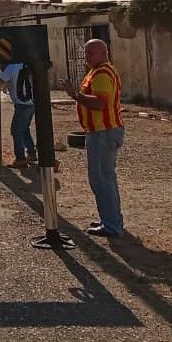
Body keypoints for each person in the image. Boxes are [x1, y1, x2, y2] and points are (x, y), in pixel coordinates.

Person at [62, 38, 124, 237]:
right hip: (102, 131)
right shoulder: (98, 72)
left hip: (103, 132)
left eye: (90, 53)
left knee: (101, 180)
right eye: (86, 52)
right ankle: (112, 219)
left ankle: (112, 225)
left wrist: (75, 95)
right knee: (107, 178)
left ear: (103, 53)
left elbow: (100, 103)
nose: (86, 57)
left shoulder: (103, 74)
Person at [0, 62, 36, 167]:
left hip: (22, 104)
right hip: (31, 103)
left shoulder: (11, 67)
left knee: (16, 130)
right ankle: (31, 152)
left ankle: (20, 158)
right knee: (24, 128)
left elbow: (0, 82)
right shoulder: (25, 64)